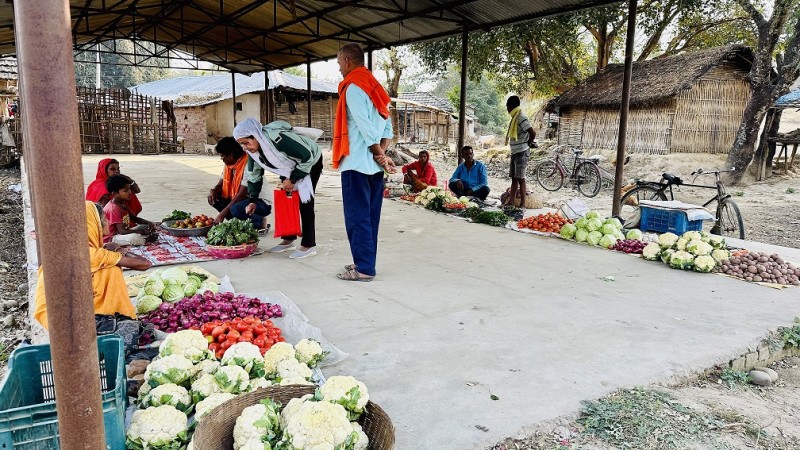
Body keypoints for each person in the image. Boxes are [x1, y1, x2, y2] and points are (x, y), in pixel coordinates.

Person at [34, 201, 152, 330]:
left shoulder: (63, 250)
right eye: (105, 219)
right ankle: (114, 319)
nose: (108, 222)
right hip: (80, 324)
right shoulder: (91, 254)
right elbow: (144, 264)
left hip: (59, 322)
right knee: (111, 268)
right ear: (93, 224)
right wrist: (118, 249)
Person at [333, 43, 395, 282]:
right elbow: (387, 126)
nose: (339, 69)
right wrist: (382, 155)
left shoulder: (353, 87)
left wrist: (379, 153)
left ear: (347, 61)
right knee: (370, 217)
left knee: (357, 217)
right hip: (374, 168)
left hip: (356, 164)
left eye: (339, 64)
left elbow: (365, 127)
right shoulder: (376, 87)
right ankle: (365, 261)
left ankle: (365, 269)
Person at [233, 118, 323, 259]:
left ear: (255, 135)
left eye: (246, 142)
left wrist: (292, 180)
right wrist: (252, 200)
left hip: (311, 161)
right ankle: (289, 239)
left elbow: (306, 157)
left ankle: (308, 245)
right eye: (241, 144)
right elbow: (254, 176)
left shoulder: (278, 139)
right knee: (286, 200)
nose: (245, 147)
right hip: (287, 166)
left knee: (305, 202)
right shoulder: (253, 153)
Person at [208, 137, 249, 225]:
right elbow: (220, 184)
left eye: (222, 156)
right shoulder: (229, 165)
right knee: (215, 198)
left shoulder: (248, 164)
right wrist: (213, 190)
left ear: (230, 155)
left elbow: (241, 194)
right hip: (238, 197)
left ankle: (259, 221)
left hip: (255, 200)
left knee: (235, 208)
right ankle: (237, 222)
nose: (221, 159)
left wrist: (222, 214)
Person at [504, 95, 536, 207]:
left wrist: (528, 143)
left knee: (521, 179)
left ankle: (522, 204)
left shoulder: (521, 117)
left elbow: (532, 132)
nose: (507, 109)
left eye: (507, 106)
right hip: (515, 152)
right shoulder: (515, 117)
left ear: (512, 106)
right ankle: (511, 202)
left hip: (522, 152)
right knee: (514, 178)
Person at [103, 175, 156, 243]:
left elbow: (134, 218)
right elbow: (122, 231)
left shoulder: (122, 203)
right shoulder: (113, 209)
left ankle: (143, 238)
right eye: (126, 191)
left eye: (129, 189)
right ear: (115, 194)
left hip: (123, 233)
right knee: (134, 238)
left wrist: (149, 223)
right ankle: (146, 240)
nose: (130, 192)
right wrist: (142, 231)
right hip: (113, 237)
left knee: (146, 226)